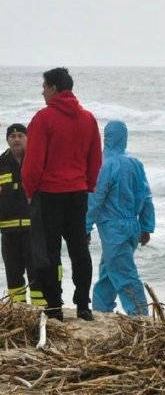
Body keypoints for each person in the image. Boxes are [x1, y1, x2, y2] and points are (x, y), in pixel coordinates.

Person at [22, 67, 102, 322]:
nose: (42, 91)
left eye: (44, 87)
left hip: (48, 193)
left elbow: (33, 162)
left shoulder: (44, 118)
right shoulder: (88, 118)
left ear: (54, 89)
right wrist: (87, 184)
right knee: (79, 249)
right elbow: (95, 158)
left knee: (48, 252)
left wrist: (29, 190)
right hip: (77, 193)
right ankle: (83, 305)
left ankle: (54, 305)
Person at [86, 120, 155, 316]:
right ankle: (101, 310)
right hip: (132, 225)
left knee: (124, 274)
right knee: (108, 272)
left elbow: (96, 199)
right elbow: (146, 196)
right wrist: (146, 226)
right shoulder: (135, 163)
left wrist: (85, 226)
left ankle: (140, 316)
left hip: (113, 228)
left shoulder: (104, 165)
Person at [0, 124, 45, 307]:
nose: (16, 139)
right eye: (12, 136)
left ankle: (40, 310)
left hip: (33, 229)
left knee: (36, 273)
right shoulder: (1, 163)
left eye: (20, 135)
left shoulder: (37, 160)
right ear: (7, 140)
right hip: (8, 231)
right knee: (13, 273)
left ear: (28, 138)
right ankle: (18, 310)